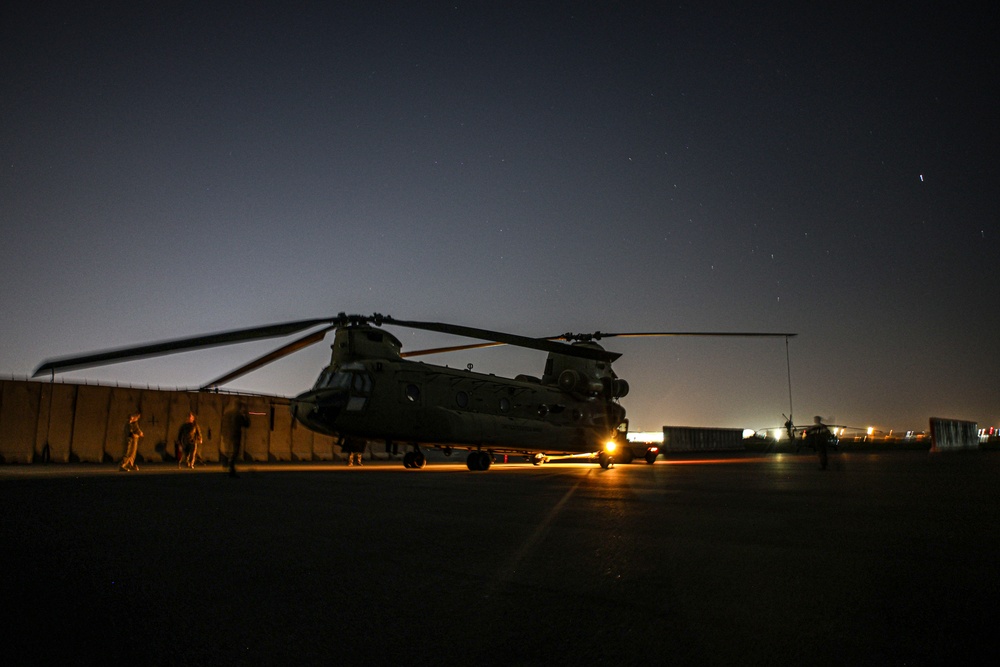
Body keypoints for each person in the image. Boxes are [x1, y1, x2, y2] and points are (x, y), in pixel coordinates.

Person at [225, 404, 250, 478]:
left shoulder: (231, 414)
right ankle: (231, 469)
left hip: (231, 435)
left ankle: (230, 468)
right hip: (236, 435)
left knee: (234, 452)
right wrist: (246, 415)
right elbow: (247, 424)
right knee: (235, 452)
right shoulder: (238, 416)